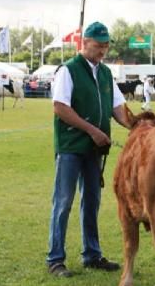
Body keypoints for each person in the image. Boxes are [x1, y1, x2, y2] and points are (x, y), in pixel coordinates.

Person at [46, 22, 130, 278]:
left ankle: (91, 254)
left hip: (95, 150)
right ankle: (55, 259)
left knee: (92, 201)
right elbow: (60, 107)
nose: (103, 50)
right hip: (72, 146)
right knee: (63, 202)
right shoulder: (68, 70)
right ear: (84, 43)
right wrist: (92, 130)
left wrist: (138, 126)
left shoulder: (105, 73)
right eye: (98, 45)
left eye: (106, 45)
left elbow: (118, 108)